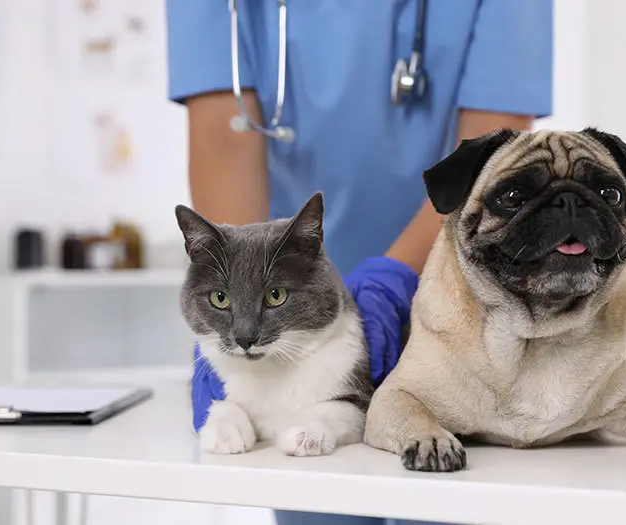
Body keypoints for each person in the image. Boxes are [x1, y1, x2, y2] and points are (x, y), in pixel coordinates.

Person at [165, 1, 552, 524]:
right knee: (318, 494)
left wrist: (391, 285)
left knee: (448, 490)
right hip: (293, 328)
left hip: (456, 295)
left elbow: (492, 154)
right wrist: (236, 287)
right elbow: (223, 135)